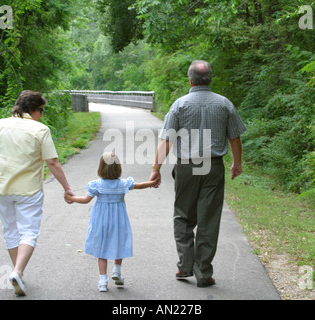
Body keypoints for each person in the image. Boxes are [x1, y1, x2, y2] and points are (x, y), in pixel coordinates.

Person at [149, 60, 247, 287]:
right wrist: (237, 163)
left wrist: (156, 169)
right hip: (213, 166)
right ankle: (203, 274)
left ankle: (185, 266)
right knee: (208, 219)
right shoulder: (224, 104)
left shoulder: (179, 105)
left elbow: (167, 139)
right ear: (209, 79)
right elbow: (235, 137)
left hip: (187, 166)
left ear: (190, 79)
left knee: (183, 215)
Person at [0, 90, 74, 296]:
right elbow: (52, 162)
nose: (42, 115)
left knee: (10, 231)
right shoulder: (40, 129)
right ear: (33, 109)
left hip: (1, 189)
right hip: (28, 190)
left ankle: (19, 275)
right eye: (41, 110)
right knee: (29, 232)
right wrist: (67, 189)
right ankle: (17, 271)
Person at [65, 152, 159, 292]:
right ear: (118, 168)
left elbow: (85, 200)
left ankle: (103, 281)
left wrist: (71, 198)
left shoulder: (96, 185)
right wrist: (153, 182)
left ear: (101, 168)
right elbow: (140, 185)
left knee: (102, 249)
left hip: (101, 220)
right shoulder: (123, 184)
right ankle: (117, 271)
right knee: (118, 242)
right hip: (118, 219)